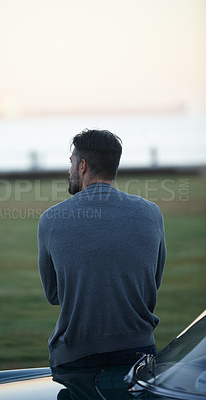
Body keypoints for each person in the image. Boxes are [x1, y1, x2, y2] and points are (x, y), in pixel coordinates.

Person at [37, 129, 166, 368]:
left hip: (75, 357)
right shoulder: (151, 213)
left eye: (71, 163)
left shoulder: (51, 219)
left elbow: (54, 294)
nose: (69, 170)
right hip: (139, 352)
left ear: (82, 166)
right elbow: (152, 281)